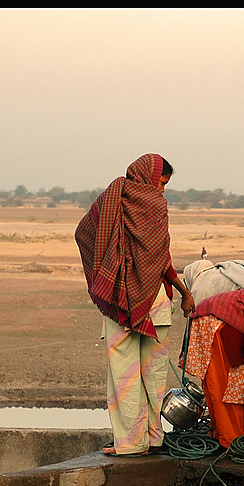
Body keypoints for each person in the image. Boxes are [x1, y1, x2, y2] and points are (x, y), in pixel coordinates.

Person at [75, 153, 195, 457]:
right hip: (156, 303)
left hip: (121, 303)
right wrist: (183, 291)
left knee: (125, 376)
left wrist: (105, 268)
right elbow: (161, 258)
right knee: (153, 376)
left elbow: (83, 232)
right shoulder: (157, 206)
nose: (163, 190)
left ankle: (131, 443)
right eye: (162, 182)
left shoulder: (114, 196)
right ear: (151, 177)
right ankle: (154, 438)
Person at [182, 288, 244, 448]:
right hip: (219, 325)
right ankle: (231, 438)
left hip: (204, 320)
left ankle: (218, 432)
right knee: (231, 386)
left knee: (215, 385)